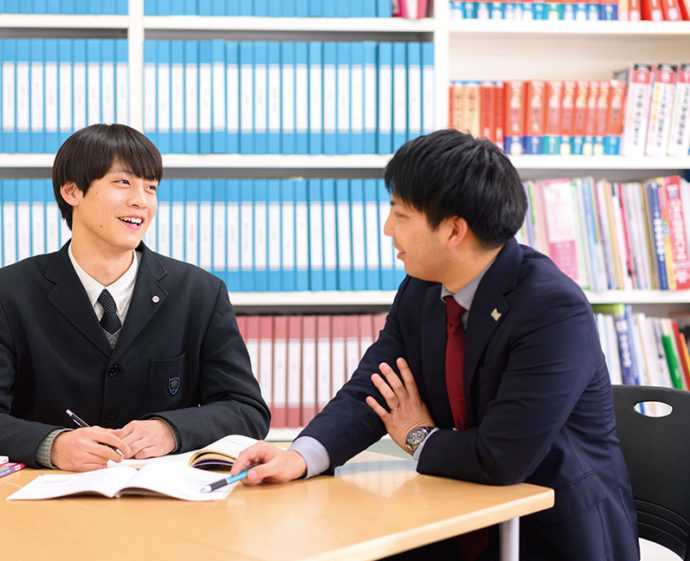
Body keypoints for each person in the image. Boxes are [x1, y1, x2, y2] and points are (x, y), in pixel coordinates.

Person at [231, 130, 638, 561]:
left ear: (453, 231)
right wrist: (300, 457)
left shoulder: (552, 309)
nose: (388, 228)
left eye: (400, 214)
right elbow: (375, 388)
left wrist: (417, 435)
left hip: (551, 536)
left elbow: (500, 459)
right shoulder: (421, 290)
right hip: (452, 518)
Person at [0, 124, 270, 471]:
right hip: (45, 504)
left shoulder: (200, 293)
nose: (140, 201)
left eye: (151, 187)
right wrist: (51, 445)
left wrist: (171, 430)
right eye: (123, 183)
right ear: (72, 191)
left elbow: (246, 409)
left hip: (167, 503)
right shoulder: (8, 294)